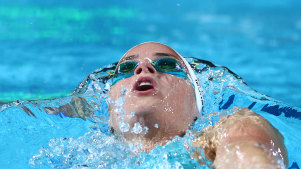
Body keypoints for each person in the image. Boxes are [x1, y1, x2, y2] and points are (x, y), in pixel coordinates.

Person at [44, 42, 288, 168]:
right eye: (127, 69)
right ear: (109, 112)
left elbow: (247, 156)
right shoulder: (78, 156)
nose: (143, 68)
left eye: (168, 66)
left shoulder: (232, 128)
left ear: (196, 105)